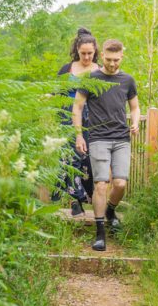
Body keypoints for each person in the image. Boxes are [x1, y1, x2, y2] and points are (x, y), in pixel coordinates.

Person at [72, 39, 140, 251]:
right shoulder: (91, 79)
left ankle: (110, 210)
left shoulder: (127, 80)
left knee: (120, 184)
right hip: (98, 137)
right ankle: (100, 232)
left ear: (122, 57)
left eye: (116, 60)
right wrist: (79, 136)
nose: (112, 64)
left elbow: (135, 107)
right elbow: (77, 107)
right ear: (102, 56)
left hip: (121, 138)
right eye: (109, 60)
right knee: (101, 184)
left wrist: (135, 122)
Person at [52, 27, 100, 216]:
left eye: (90, 53)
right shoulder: (67, 69)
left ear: (95, 51)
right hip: (67, 118)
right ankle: (75, 200)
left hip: (92, 120)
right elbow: (57, 91)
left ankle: (87, 198)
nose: (87, 57)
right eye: (83, 53)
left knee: (87, 158)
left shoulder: (100, 70)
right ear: (77, 51)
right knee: (69, 158)